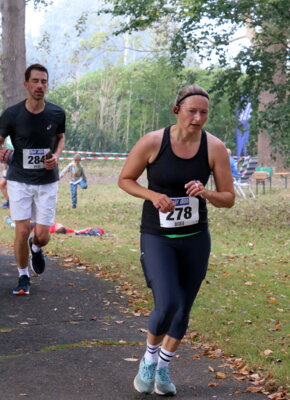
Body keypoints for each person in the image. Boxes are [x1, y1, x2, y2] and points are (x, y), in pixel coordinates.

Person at [118, 84, 235, 396]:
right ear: (177, 111)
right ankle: (148, 360)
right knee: (167, 302)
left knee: (183, 309)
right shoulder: (154, 142)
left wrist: (206, 192)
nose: (197, 118)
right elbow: (125, 179)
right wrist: (154, 195)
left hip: (196, 237)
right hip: (158, 236)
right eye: (192, 111)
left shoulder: (215, 148)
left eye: (203, 113)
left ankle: (164, 368)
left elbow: (228, 199)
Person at [0, 63, 65, 295]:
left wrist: (56, 156)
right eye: (35, 81)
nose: (40, 85)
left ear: (47, 84)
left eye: (44, 81)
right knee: (21, 230)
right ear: (26, 84)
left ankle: (36, 248)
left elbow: (60, 138)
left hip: (47, 181)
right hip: (19, 179)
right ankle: (23, 277)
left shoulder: (57, 113)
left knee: (42, 235)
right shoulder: (11, 114)